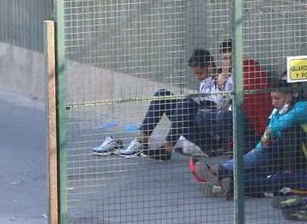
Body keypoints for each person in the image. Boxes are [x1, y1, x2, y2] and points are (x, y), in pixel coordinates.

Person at [92, 49, 226, 160]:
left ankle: (168, 147)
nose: (197, 77)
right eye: (195, 74)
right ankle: (142, 141)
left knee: (187, 102)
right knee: (163, 94)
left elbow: (220, 105)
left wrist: (222, 76)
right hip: (198, 126)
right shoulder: (204, 82)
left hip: (212, 136)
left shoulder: (223, 80)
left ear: (209, 66)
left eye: (200, 73)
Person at [217, 76, 307, 197]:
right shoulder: (276, 112)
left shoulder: (303, 106)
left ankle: (222, 174)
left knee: (289, 130)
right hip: (279, 154)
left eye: (277, 98)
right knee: (255, 155)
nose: (273, 102)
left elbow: (288, 120)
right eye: (272, 98)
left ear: (289, 96)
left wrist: (269, 132)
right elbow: (268, 134)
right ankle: (225, 176)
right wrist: (262, 144)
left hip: (303, 156)